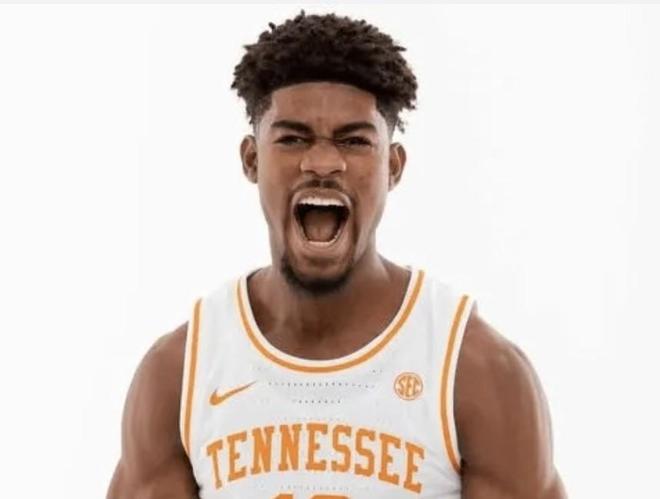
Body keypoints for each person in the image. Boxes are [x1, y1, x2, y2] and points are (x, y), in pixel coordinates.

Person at [107, 11, 567, 499]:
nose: (323, 162)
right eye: (293, 138)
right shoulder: (180, 375)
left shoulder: (475, 371)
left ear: (393, 167)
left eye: (353, 140)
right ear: (251, 159)